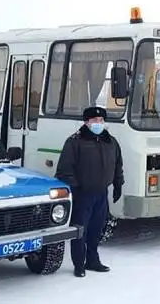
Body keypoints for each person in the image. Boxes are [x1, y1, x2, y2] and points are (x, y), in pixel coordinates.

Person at [55, 106, 124, 278]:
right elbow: (64, 169)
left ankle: (92, 260)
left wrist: (118, 184)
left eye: (101, 121)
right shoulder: (75, 142)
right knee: (80, 230)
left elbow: (118, 165)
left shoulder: (111, 141)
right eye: (94, 121)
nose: (98, 124)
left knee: (96, 229)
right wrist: (76, 188)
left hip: (102, 194)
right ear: (86, 122)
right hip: (83, 194)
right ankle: (79, 264)